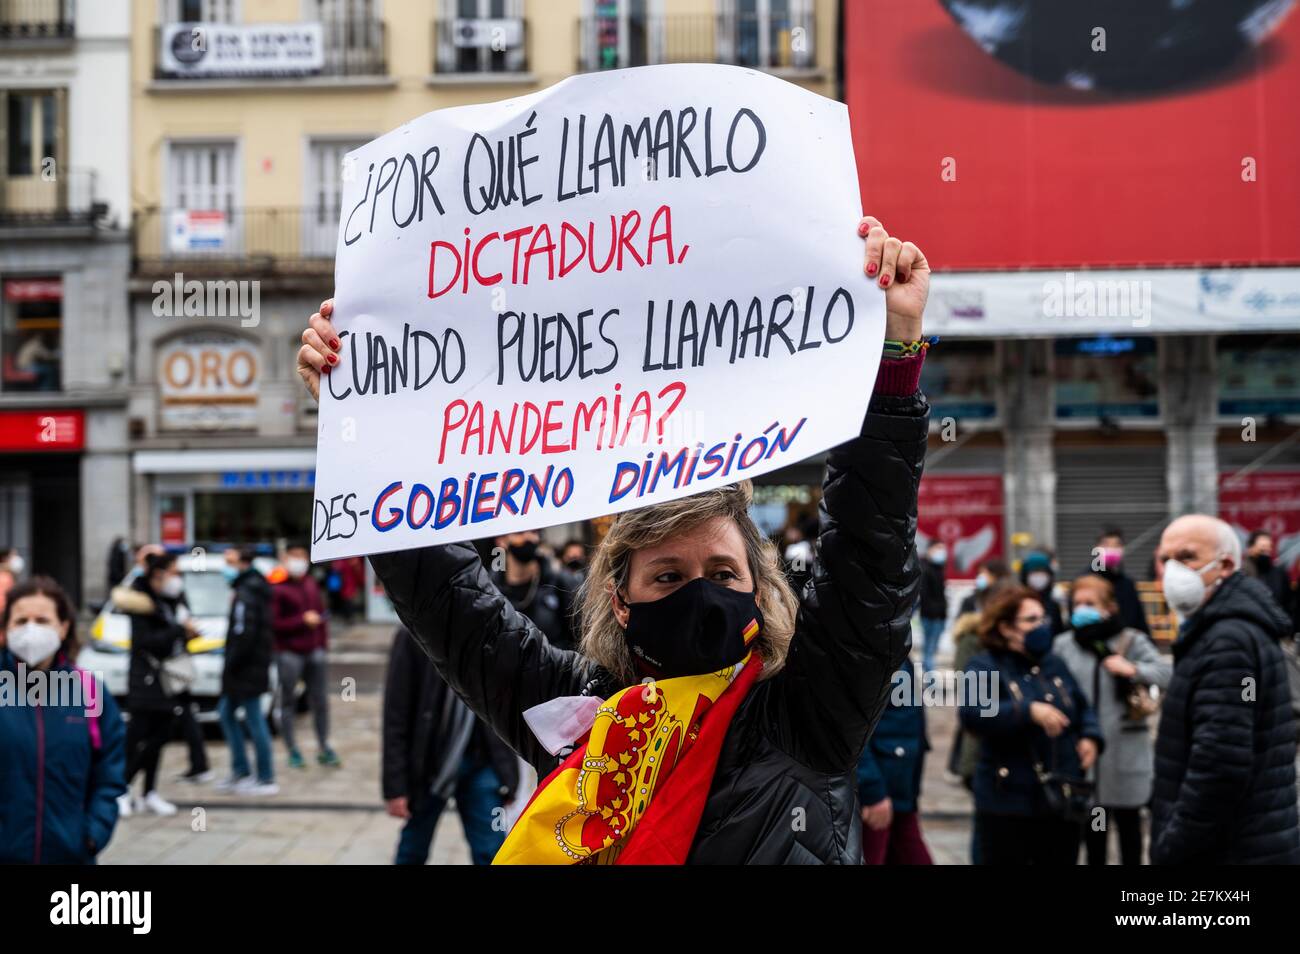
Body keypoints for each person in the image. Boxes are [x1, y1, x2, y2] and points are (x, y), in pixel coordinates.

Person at [296, 214, 931, 864]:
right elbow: (447, 600)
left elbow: (868, 563)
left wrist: (894, 353)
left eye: (722, 573)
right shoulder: (576, 713)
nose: (700, 595)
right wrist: (363, 420)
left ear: (760, 592)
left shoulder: (806, 716)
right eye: (667, 576)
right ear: (619, 599)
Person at [1148, 515, 1300, 864]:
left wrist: (1173, 845)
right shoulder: (1226, 627)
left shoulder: (1226, 639)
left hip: (1229, 850)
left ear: (1225, 565)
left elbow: (1220, 764)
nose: (1172, 571)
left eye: (1186, 558)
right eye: (1164, 559)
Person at [960, 585, 1103, 865]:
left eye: (1043, 618)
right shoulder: (982, 665)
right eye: (1031, 620)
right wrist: (1027, 711)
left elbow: (1082, 706)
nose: (1041, 626)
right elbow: (973, 713)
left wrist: (1090, 736)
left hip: (1060, 797)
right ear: (1005, 628)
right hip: (1006, 800)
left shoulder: (1054, 663)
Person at [0, 577, 127, 863]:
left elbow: (110, 775)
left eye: (42, 620)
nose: (31, 629)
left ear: (64, 626)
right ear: (6, 629)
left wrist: (92, 834)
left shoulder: (89, 693)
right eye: (21, 621)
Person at [1052, 574, 1171, 865]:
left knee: (1130, 828)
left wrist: (1132, 669)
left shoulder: (1131, 640)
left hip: (1125, 750)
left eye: (1090, 603)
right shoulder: (1063, 645)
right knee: (1094, 828)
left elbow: (1167, 674)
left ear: (1109, 607)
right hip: (1084, 752)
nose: (1082, 609)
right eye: (1077, 603)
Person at [382, 627, 520, 865]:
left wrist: (508, 775)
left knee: (492, 851)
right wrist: (395, 786)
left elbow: (505, 707)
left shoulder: (488, 629)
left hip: (481, 763)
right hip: (428, 765)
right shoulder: (412, 634)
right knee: (412, 849)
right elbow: (396, 714)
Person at [115, 551, 194, 817]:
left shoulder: (169, 601)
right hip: (145, 679)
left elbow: (173, 641)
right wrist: (179, 630)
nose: (177, 579)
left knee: (160, 736)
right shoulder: (141, 601)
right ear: (158, 575)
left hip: (167, 680)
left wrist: (186, 633)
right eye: (174, 572)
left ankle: (149, 792)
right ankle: (121, 789)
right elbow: (145, 641)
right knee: (137, 737)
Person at [856, 657, 933, 864]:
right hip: (877, 793)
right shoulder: (868, 641)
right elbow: (852, 730)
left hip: (899, 788)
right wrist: (871, 789)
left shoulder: (892, 635)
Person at [216, 547, 277, 795]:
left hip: (245, 668)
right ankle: (241, 770)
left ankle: (265, 777)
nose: (226, 567)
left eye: (230, 562)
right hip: (250, 666)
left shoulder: (246, 593)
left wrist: (231, 665)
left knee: (253, 718)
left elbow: (244, 634)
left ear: (243, 563)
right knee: (228, 713)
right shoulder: (252, 588)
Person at [271, 544, 338, 769]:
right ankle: (292, 749)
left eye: (302, 556)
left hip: (314, 651)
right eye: (295, 557)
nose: (299, 561)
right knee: (288, 701)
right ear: (286, 559)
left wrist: (322, 644)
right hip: (289, 653)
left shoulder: (311, 584)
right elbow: (274, 623)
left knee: (320, 701)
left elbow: (321, 615)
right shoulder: (278, 589)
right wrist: (301, 621)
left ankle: (324, 746)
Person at [490, 530, 579, 652]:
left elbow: (578, 639)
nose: (528, 537)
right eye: (519, 532)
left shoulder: (560, 582)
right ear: (501, 541)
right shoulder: (491, 590)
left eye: (533, 531)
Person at [1089, 528, 1150, 635]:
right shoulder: (1086, 581)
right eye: (1106, 545)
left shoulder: (1127, 584)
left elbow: (1139, 622)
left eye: (1116, 545)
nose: (1111, 549)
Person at [1243, 530, 1293, 617]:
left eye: (1269, 547)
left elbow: (1288, 603)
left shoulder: (1279, 573)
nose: (1267, 550)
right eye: (1262, 548)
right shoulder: (1242, 573)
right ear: (1250, 549)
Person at [917, 539, 948, 674]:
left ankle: (927, 675)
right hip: (931, 616)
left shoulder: (938, 569)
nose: (941, 552)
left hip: (938, 616)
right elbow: (924, 594)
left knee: (930, 648)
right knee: (929, 649)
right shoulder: (925, 569)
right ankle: (929, 679)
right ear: (930, 550)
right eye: (938, 549)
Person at [1020, 550, 1064, 636]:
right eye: (1034, 573)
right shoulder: (1018, 603)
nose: (1039, 576)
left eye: (1042, 572)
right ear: (1025, 576)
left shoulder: (1053, 606)